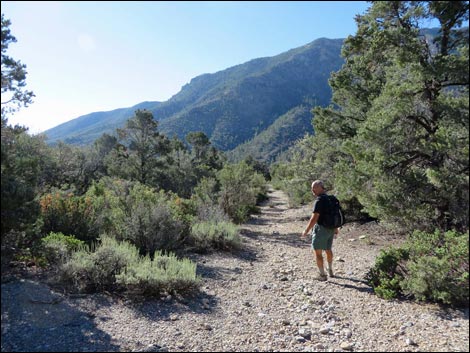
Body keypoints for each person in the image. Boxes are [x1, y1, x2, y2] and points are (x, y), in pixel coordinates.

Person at [301, 180, 339, 281]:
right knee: (328, 249)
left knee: (317, 252)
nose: (312, 190)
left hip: (321, 228)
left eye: (314, 187)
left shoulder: (319, 200)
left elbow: (314, 218)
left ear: (321, 188)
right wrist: (336, 228)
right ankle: (330, 270)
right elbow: (334, 214)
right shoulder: (332, 199)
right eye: (312, 188)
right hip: (331, 228)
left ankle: (322, 275)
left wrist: (306, 230)